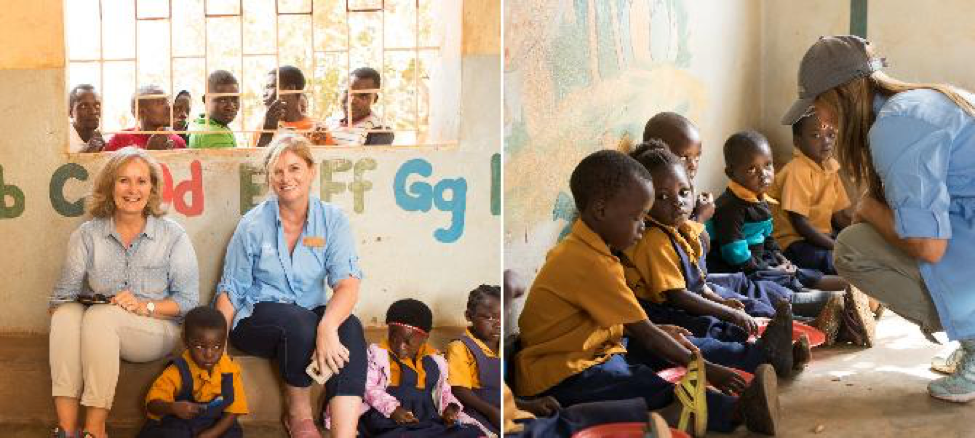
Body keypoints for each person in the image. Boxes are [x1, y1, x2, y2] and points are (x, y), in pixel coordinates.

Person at [515, 149, 780, 435]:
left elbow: (609, 321)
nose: (643, 226)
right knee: (644, 381)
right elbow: (644, 332)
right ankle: (734, 412)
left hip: (593, 352)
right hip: (561, 375)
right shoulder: (588, 262)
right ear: (601, 210)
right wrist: (708, 369)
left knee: (666, 348)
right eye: (637, 217)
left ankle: (749, 362)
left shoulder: (590, 249)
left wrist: (659, 330)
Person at [783, 35, 975, 401]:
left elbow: (929, 246)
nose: (822, 120)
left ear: (840, 94)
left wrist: (868, 208)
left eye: (819, 105)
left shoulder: (895, 126)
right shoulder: (920, 100)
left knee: (853, 247)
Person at [214, 134, 365, 438]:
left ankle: (344, 432)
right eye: (278, 171)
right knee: (301, 323)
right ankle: (298, 415)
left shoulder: (332, 220)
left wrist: (327, 328)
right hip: (256, 319)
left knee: (350, 327)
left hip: (308, 316)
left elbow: (347, 284)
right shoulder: (252, 224)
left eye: (295, 168)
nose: (286, 178)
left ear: (312, 171)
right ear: (270, 178)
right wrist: (219, 352)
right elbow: (231, 289)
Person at [48, 147, 200, 438]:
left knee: (101, 318)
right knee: (66, 315)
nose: (133, 190)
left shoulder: (173, 235)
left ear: (152, 188)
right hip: (100, 329)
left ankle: (95, 429)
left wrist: (147, 306)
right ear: (110, 186)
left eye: (141, 181)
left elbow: (189, 302)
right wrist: (72, 322)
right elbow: (61, 298)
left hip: (157, 328)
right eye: (124, 180)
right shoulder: (87, 235)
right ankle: (67, 430)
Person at [623, 144, 806, 377]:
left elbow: (698, 277)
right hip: (662, 310)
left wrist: (721, 302)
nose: (677, 202)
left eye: (683, 192)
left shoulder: (676, 227)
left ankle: (781, 340)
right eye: (662, 197)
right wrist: (726, 312)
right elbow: (678, 295)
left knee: (736, 304)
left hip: (689, 298)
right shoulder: (653, 239)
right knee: (708, 330)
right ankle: (762, 357)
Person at [354, 299, 484, 437]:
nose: (399, 347)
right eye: (393, 339)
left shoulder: (435, 360)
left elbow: (444, 392)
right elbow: (368, 387)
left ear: (425, 338)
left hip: (428, 417)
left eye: (407, 343)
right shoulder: (376, 355)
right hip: (388, 417)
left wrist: (451, 408)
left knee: (470, 432)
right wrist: (393, 409)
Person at [138, 307, 247, 438]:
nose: (209, 355)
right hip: (180, 425)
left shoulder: (230, 369)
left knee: (233, 433)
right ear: (185, 341)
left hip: (216, 426)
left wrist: (210, 435)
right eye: (200, 347)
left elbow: (233, 412)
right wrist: (173, 407)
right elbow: (152, 405)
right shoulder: (177, 371)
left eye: (217, 347)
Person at [769, 111, 851, 275]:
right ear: (797, 141)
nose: (826, 141)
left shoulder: (830, 169)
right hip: (794, 242)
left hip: (821, 237)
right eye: (816, 135)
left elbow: (840, 217)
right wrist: (836, 246)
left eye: (830, 134)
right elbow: (801, 224)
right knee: (832, 261)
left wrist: (859, 238)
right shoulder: (796, 170)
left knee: (856, 254)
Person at [445, 285, 501, 434]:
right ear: (469, 316)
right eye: (489, 317)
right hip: (477, 412)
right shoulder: (460, 347)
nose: (498, 324)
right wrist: (491, 412)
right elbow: (458, 389)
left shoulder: (504, 346)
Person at [642, 112, 711, 222]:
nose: (693, 164)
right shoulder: (653, 192)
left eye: (697, 158)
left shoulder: (683, 184)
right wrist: (700, 216)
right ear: (660, 155)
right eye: (684, 158)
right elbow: (678, 231)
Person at [253, 66, 331, 147]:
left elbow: (328, 158)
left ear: (290, 89)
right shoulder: (262, 128)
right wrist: (267, 132)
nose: (264, 93)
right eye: (265, 88)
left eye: (270, 87)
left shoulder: (318, 129)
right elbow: (254, 159)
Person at [104, 85, 187, 151]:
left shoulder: (178, 142)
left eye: (168, 102)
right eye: (160, 103)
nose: (169, 107)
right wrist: (150, 153)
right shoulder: (120, 140)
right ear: (141, 112)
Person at [327, 67, 394, 146]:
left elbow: (368, 158)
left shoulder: (379, 131)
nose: (352, 101)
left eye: (363, 96)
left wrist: (326, 143)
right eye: (347, 92)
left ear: (375, 99)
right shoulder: (331, 120)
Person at [188, 71, 240, 149]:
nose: (230, 106)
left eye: (234, 99)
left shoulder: (201, 122)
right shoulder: (214, 134)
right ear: (205, 100)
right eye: (222, 100)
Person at [68, 84, 105, 153]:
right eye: (84, 106)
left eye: (97, 105)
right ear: (70, 112)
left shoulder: (99, 138)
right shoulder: (63, 141)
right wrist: (85, 153)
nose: (93, 111)